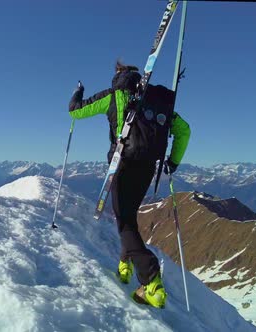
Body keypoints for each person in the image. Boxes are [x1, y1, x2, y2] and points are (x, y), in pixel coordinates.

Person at [68, 61, 191, 308]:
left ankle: (151, 281)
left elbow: (76, 111)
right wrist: (173, 162)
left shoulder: (113, 97)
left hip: (122, 165)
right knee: (129, 217)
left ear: (118, 75)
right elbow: (184, 131)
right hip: (148, 168)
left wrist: (78, 92)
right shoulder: (154, 100)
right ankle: (125, 266)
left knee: (123, 221)